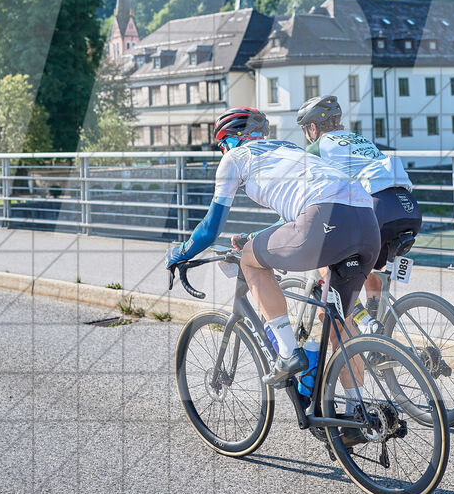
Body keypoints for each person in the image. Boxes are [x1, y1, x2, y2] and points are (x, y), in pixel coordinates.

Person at [165, 106, 380, 389]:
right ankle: (357, 412)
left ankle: (290, 353)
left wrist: (181, 252)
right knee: (341, 324)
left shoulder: (235, 158)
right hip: (367, 222)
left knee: (250, 260)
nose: (222, 152)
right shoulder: (289, 149)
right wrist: (255, 236)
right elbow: (295, 216)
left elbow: (210, 229)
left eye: (222, 145)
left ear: (230, 140)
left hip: (324, 221)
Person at [296, 95, 423, 318]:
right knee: (367, 266)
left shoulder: (317, 148)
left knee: (322, 255)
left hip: (376, 209)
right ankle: (375, 332)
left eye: (305, 129)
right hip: (408, 208)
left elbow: (299, 194)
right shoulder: (359, 139)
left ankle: (359, 319)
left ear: (312, 127)